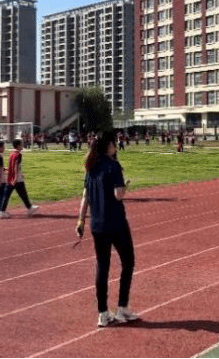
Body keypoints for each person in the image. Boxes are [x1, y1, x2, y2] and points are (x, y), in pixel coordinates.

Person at [76, 132, 138, 328]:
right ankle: (122, 307)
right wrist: (125, 187)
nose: (116, 146)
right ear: (108, 145)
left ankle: (103, 313)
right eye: (114, 143)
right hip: (116, 222)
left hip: (97, 224)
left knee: (102, 266)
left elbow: (85, 197)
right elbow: (118, 195)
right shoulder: (113, 166)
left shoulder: (91, 167)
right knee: (128, 262)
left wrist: (81, 221)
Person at [0, 139, 39, 218]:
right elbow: (16, 166)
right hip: (16, 179)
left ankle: (29, 207)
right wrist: (16, 177)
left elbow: (11, 165)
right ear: (18, 146)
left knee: (19, 193)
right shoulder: (18, 154)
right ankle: (2, 211)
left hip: (11, 177)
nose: (22, 146)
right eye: (21, 144)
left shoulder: (11, 153)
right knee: (9, 194)